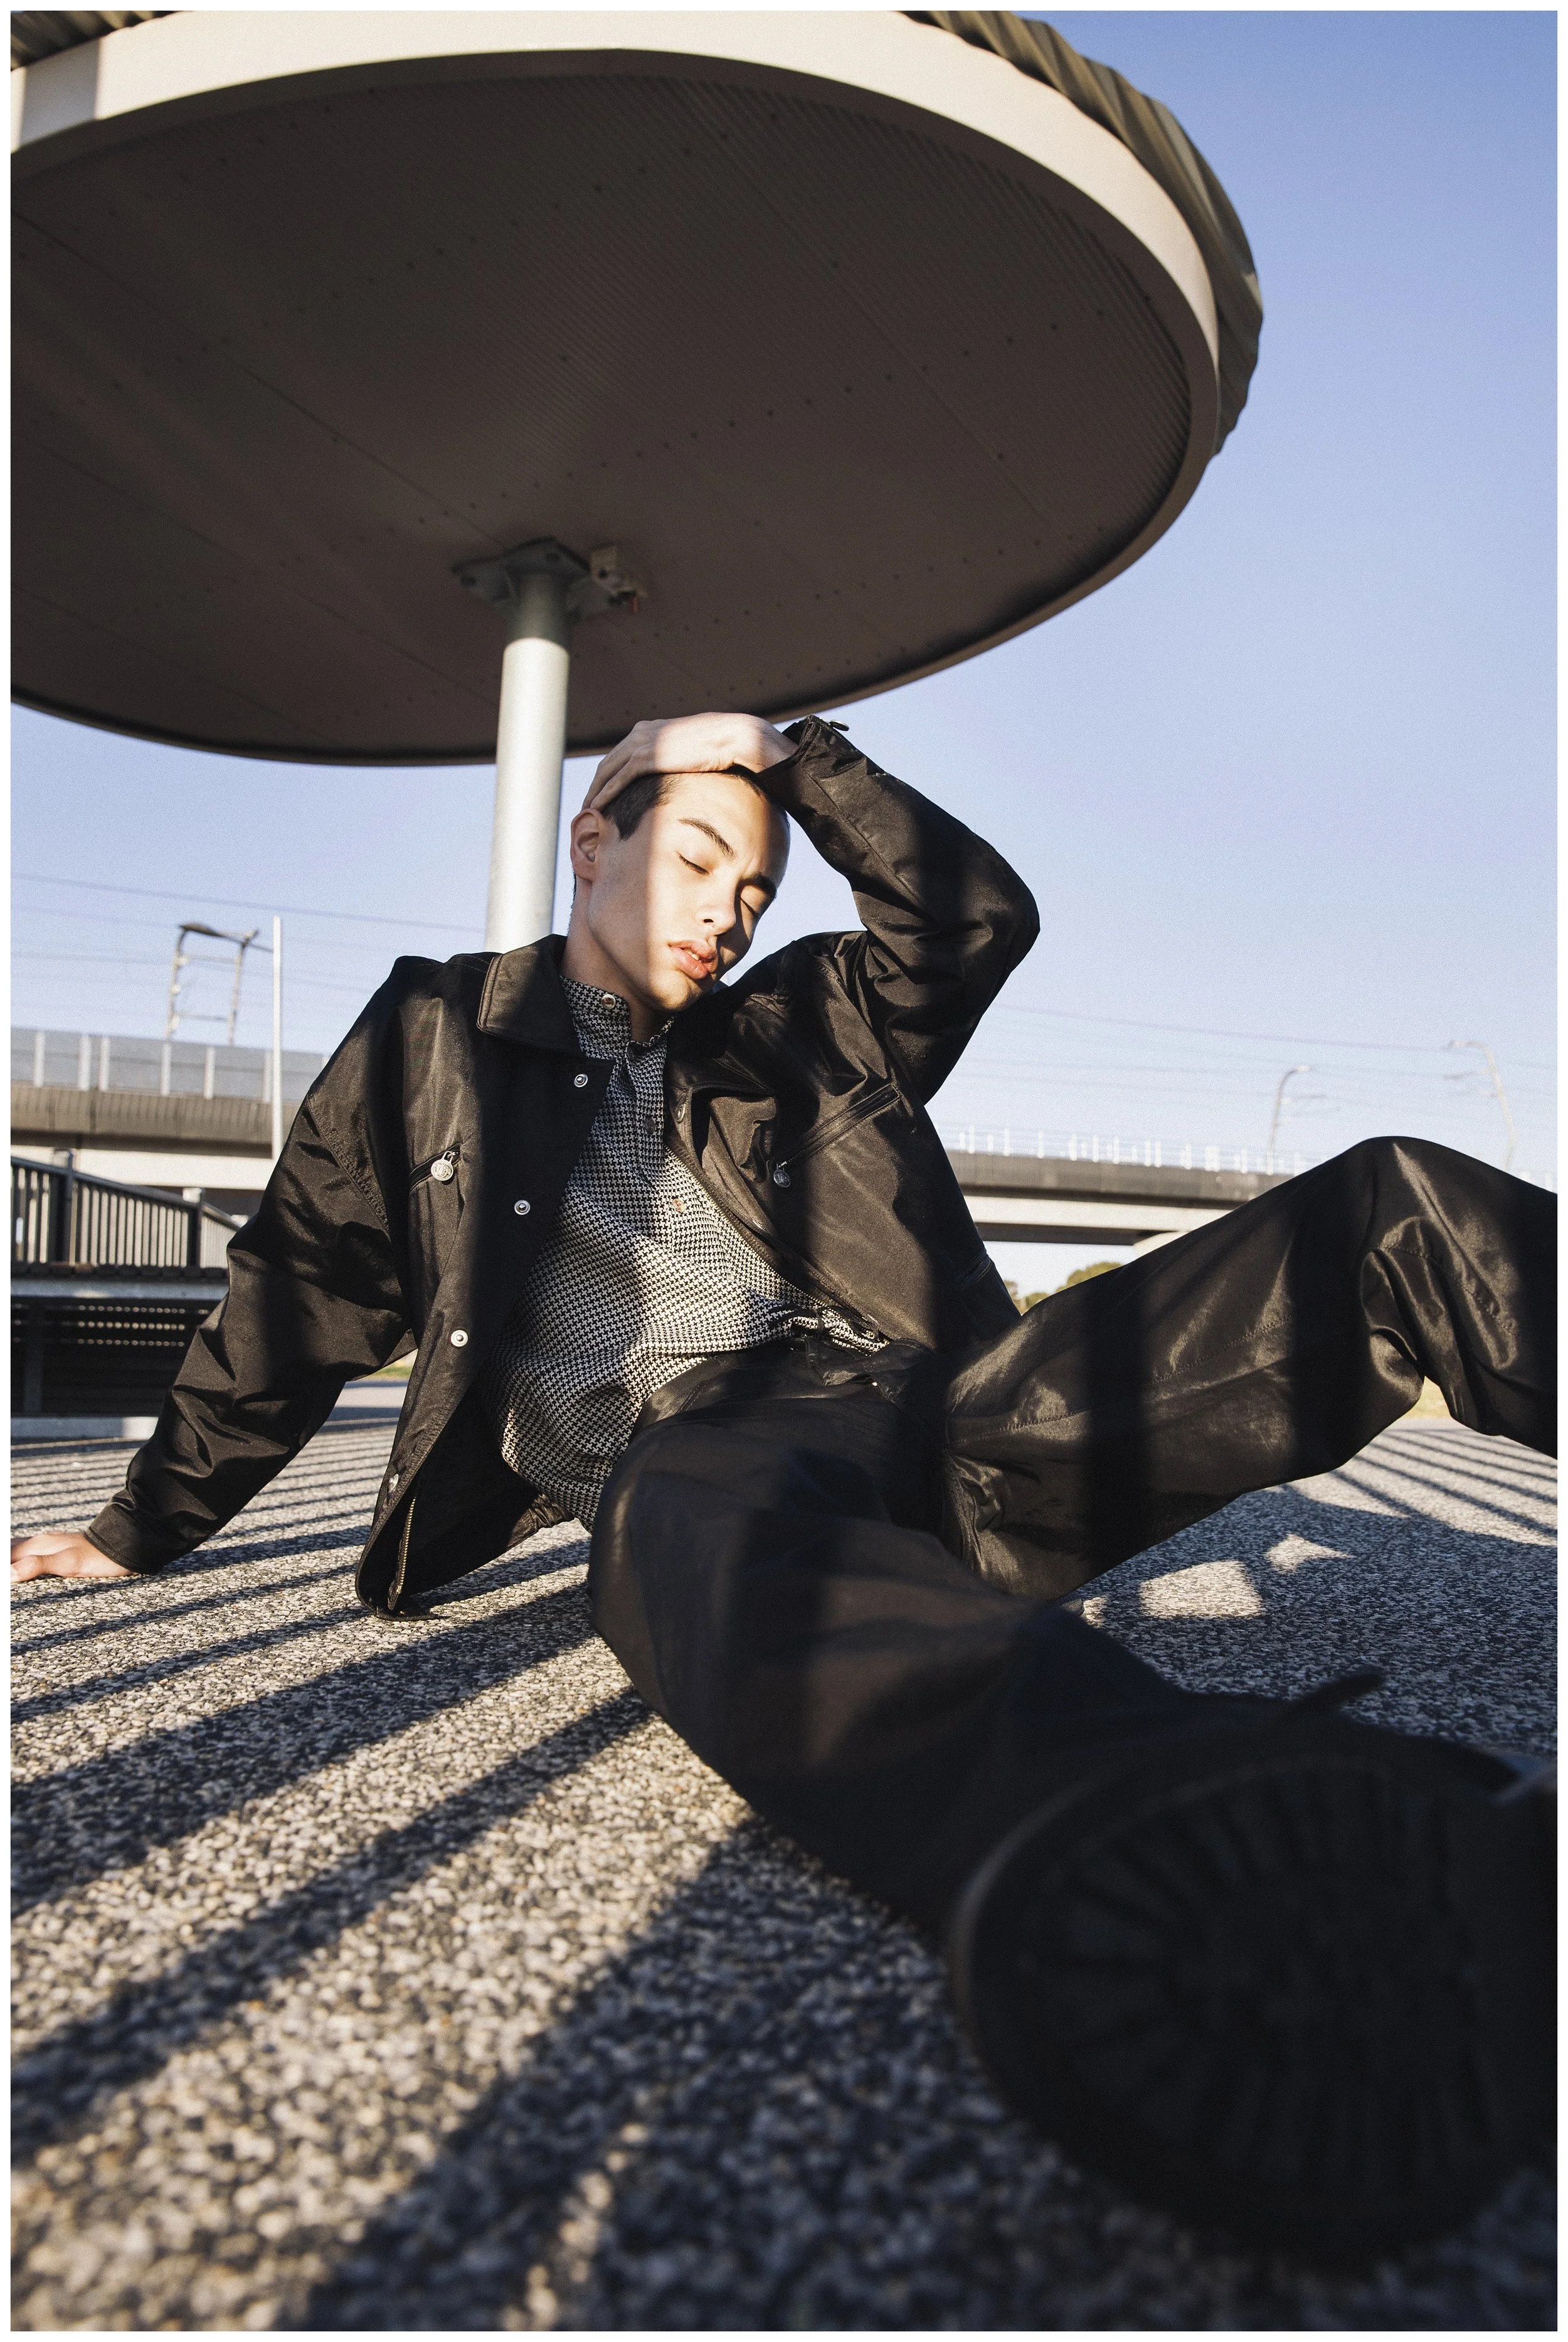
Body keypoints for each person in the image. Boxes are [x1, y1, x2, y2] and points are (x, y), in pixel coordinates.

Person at [13, 713, 1554, 2257]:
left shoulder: (803, 1019)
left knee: (1390, 1212)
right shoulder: (434, 1038)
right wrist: (137, 1525)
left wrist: (783, 749)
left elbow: (971, 917)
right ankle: (1193, 1847)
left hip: (946, 1411)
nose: (723, 912)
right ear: (591, 842)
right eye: (694, 861)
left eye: (749, 890)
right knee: (699, 1522)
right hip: (699, 1441)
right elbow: (298, 1290)